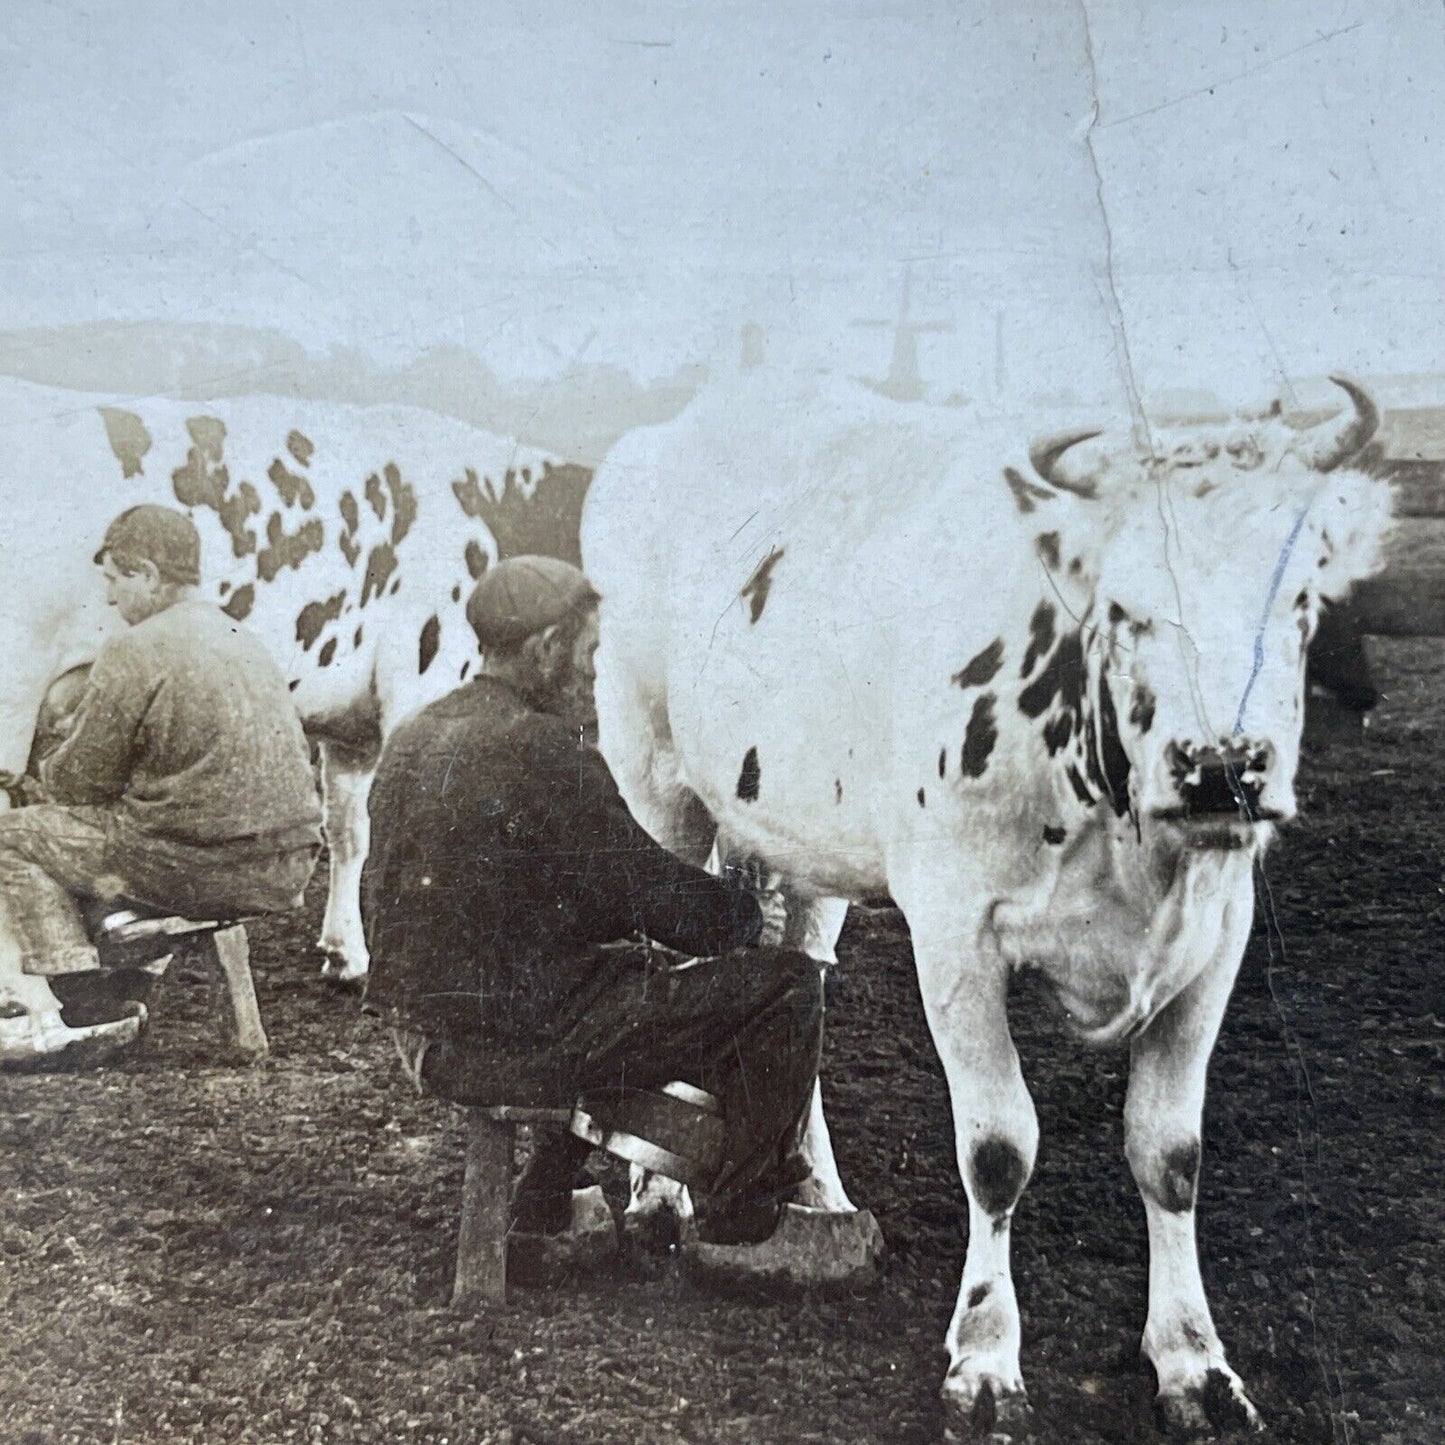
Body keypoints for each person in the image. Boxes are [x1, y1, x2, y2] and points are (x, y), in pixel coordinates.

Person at [361, 555, 824, 1248]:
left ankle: (544, 1200)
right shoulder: (545, 748)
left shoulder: (414, 735)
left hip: (422, 1028)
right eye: (589, 654)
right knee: (787, 987)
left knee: (596, 986)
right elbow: (651, 895)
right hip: (500, 1046)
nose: (594, 674)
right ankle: (743, 1215)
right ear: (545, 650)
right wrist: (746, 912)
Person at [0, 505, 323, 1021]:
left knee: (11, 835)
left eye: (114, 581)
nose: (108, 597)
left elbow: (78, 784)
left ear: (147, 575)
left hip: (195, 866)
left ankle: (81, 999)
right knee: (139, 829)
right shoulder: (245, 639)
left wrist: (50, 756)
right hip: (285, 865)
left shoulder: (133, 649)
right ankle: (132, 979)